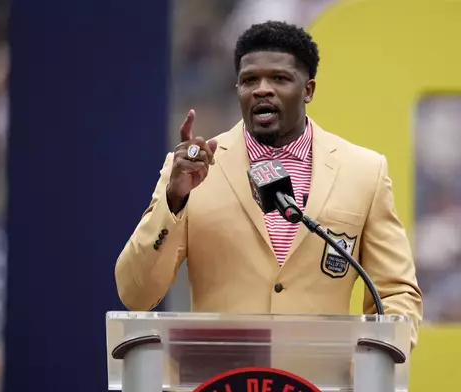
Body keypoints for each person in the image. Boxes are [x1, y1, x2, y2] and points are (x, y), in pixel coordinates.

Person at [115, 21, 423, 347]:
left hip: (321, 380)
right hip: (221, 378)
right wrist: (175, 199)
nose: (262, 89)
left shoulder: (364, 171)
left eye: (279, 78)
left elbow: (395, 292)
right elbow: (136, 293)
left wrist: (377, 358)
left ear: (309, 90)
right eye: (249, 80)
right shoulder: (190, 171)